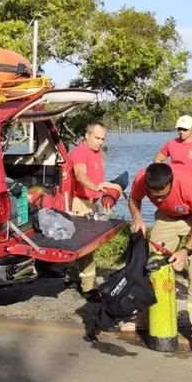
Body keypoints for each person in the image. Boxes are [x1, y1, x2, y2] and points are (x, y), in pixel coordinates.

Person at [125, 162, 192, 355]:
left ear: (172, 182)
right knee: (150, 267)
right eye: (155, 196)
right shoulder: (142, 178)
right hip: (167, 218)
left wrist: (186, 250)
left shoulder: (189, 184)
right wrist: (137, 217)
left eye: (164, 195)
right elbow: (134, 198)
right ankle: (143, 317)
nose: (159, 198)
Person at [66, 122, 121, 292]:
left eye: (103, 139)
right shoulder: (80, 152)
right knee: (87, 245)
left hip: (92, 202)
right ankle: (88, 287)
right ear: (87, 135)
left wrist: (104, 187)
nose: (100, 142)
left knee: (80, 244)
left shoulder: (96, 152)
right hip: (80, 202)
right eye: (97, 138)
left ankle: (73, 276)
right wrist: (93, 186)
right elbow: (80, 174)